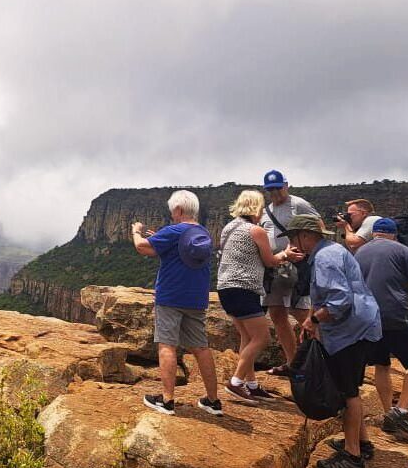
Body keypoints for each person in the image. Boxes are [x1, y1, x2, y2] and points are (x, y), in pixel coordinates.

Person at [282, 215, 382, 468]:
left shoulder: (325, 258)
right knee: (350, 387)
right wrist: (313, 322)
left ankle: (352, 456)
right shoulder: (331, 250)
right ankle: (361, 442)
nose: (292, 243)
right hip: (358, 327)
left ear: (306, 235)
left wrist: (313, 320)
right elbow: (324, 296)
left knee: (347, 392)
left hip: (350, 332)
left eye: (293, 237)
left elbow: (339, 300)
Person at [131, 189, 222, 417]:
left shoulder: (173, 230)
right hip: (196, 299)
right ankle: (213, 401)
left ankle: (167, 400)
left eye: (173, 211)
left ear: (179, 210)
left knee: (167, 345)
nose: (172, 215)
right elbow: (179, 253)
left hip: (171, 297)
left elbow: (142, 247)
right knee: (201, 348)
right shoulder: (203, 233)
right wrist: (160, 239)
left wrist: (136, 232)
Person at [217, 189, 304, 404]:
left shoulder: (229, 227)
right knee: (262, 338)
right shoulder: (256, 230)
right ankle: (236, 382)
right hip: (244, 288)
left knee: (247, 337)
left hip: (226, 288)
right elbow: (269, 261)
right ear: (256, 207)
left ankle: (252, 385)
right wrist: (286, 254)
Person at [356, 218, 408, 441]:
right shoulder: (400, 249)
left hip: (368, 319)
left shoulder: (359, 252)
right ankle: (401, 411)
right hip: (397, 317)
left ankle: (387, 412)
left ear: (374, 233)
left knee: (382, 365)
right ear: (394, 234)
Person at [259, 170, 319, 375]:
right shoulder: (266, 211)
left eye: (278, 188)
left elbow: (318, 227)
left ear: (286, 185)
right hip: (274, 267)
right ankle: (293, 364)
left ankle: (326, 362)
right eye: (270, 189)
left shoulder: (299, 204)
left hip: (296, 266)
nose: (275, 192)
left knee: (301, 312)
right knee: (277, 314)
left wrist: (305, 251)